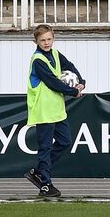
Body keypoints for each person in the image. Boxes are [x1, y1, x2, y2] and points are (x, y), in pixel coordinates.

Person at [25, 24, 84, 198]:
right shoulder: (38, 60)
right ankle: (45, 185)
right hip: (43, 109)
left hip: (57, 108)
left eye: (49, 39)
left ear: (53, 38)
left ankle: (39, 172)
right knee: (45, 147)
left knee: (65, 141)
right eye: (42, 40)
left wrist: (81, 81)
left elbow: (70, 67)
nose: (46, 43)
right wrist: (74, 92)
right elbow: (53, 82)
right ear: (35, 41)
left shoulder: (56, 54)